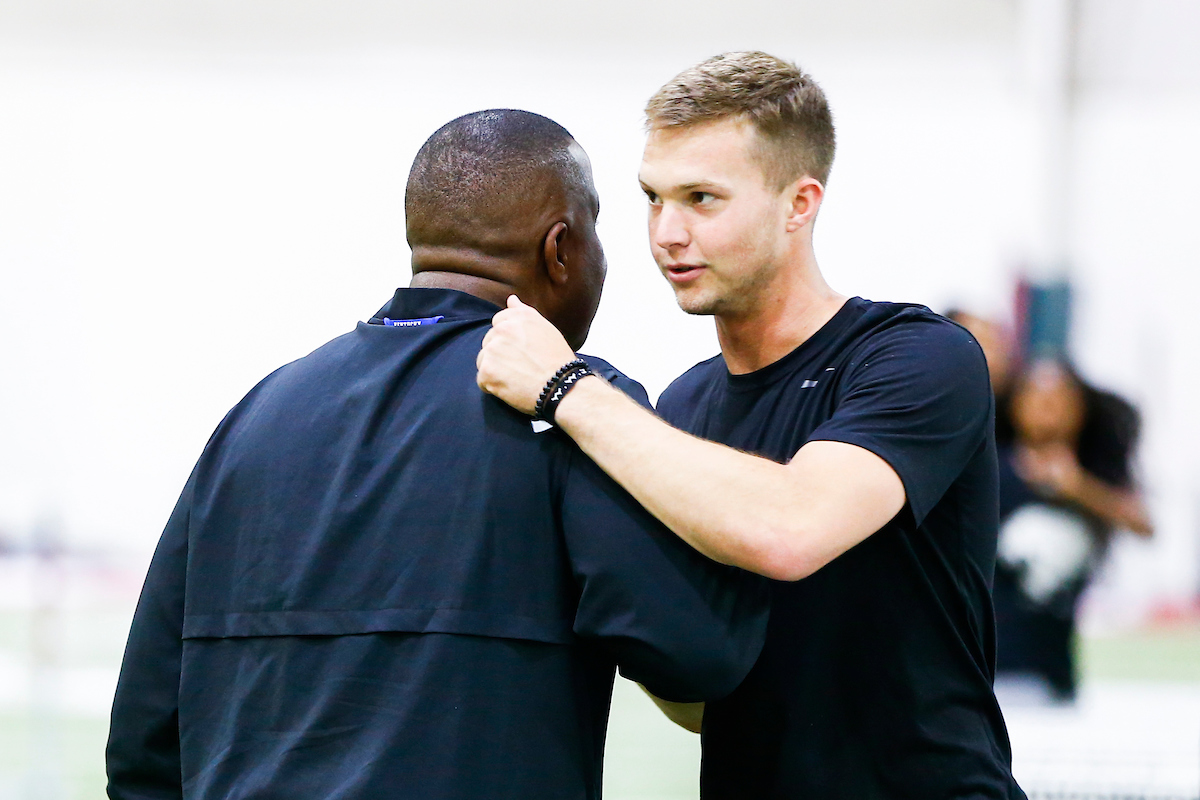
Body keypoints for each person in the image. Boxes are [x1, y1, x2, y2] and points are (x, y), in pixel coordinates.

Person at [105, 109, 768, 800]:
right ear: (561, 248)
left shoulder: (254, 417)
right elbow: (700, 654)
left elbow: (145, 741)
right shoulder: (568, 408)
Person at [477, 52, 1026, 798]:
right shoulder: (681, 412)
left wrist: (567, 386)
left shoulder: (918, 358)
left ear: (799, 205)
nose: (666, 233)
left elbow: (791, 530)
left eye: (702, 198)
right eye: (652, 198)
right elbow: (704, 695)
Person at [992, 358, 1152, 701]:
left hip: (1052, 672)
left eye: (1062, 397)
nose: (1049, 407)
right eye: (1035, 395)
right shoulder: (990, 466)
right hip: (991, 668)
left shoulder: (1092, 475)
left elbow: (1142, 524)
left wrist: (1078, 488)